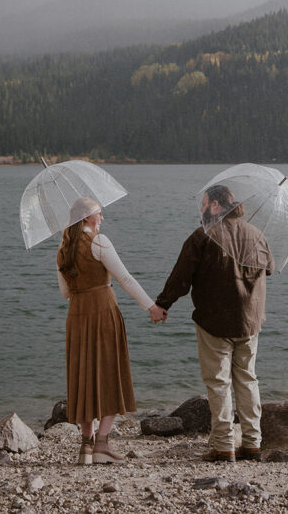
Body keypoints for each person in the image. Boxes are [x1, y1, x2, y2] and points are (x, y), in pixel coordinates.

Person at [154, 184, 274, 462]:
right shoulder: (257, 235)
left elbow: (180, 279)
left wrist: (162, 305)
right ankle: (253, 443)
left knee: (219, 383)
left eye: (205, 204)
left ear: (217, 205)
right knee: (247, 380)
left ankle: (223, 447)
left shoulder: (203, 236)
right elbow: (268, 269)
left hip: (215, 322)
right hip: (250, 321)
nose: (202, 208)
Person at [57, 196, 168, 465]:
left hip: (77, 315)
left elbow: (64, 292)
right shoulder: (99, 241)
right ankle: (103, 445)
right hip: (103, 311)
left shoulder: (62, 250)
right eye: (99, 213)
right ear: (85, 218)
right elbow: (124, 278)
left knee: (84, 376)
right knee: (109, 373)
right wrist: (151, 307)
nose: (102, 218)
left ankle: (86, 445)